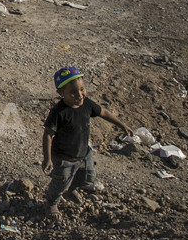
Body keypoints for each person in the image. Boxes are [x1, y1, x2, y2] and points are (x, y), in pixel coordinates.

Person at [42, 67, 132, 217]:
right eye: (73, 92)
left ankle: (71, 189)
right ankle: (51, 202)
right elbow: (47, 135)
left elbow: (103, 112)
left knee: (88, 177)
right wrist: (48, 158)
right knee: (60, 183)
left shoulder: (86, 104)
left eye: (82, 89)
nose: (80, 95)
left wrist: (121, 124)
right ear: (61, 93)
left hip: (84, 153)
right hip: (64, 157)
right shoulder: (59, 112)